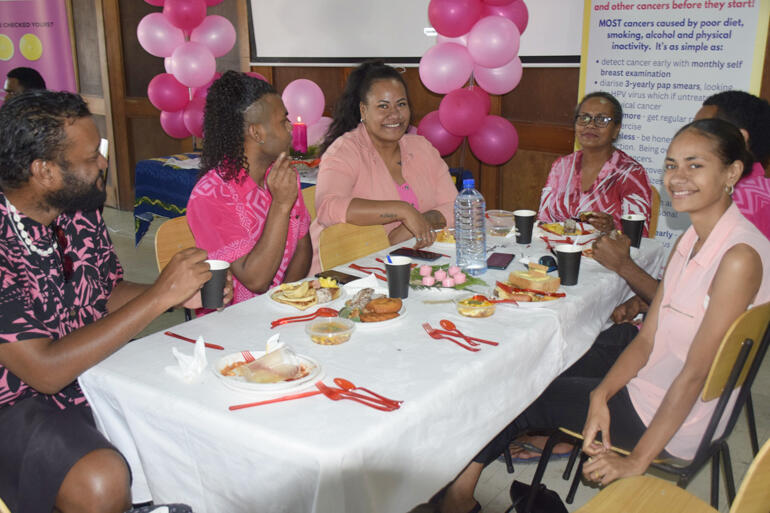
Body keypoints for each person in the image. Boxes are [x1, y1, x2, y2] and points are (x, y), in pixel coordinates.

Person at [439, 118, 770, 513]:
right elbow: (647, 338)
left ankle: (458, 497)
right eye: (670, 165)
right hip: (659, 383)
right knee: (580, 348)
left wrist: (636, 461)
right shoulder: (694, 237)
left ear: (732, 171)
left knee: (519, 390)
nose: (678, 178)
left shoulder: (738, 258)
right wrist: (600, 393)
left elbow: (696, 373)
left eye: (694, 165)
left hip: (672, 419)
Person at [0, 91, 230, 513]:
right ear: (45, 171)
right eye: (91, 158)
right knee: (100, 480)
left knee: (212, 409)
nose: (103, 164)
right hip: (17, 403)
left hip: (94, 372)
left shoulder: (77, 212)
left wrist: (180, 293)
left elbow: (104, 293)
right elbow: (45, 372)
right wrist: (161, 294)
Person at [592, 90, 770, 322]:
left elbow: (690, 315)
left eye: (704, 130)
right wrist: (641, 302)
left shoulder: (741, 212)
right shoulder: (756, 192)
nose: (691, 136)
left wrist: (624, 265)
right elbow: (692, 290)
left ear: (740, 140)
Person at [308, 61, 458, 274]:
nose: (394, 114)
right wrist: (402, 210)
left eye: (401, 104)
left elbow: (454, 206)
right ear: (364, 110)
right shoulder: (345, 150)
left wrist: (418, 222)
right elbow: (328, 208)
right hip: (345, 273)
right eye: (383, 106)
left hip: (410, 266)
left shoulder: (421, 147)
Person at [186, 71, 311, 305]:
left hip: (281, 308)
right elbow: (255, 280)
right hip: (233, 323)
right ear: (256, 132)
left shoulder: (283, 173)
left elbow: (303, 247)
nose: (291, 127)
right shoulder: (211, 195)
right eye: (283, 120)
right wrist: (281, 205)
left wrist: (286, 299)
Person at [538, 91, 652, 235]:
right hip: (558, 252)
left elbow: (638, 237)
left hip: (605, 255)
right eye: (584, 118)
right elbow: (543, 222)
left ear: (616, 129)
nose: (590, 125)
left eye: (602, 120)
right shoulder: (561, 166)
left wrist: (612, 230)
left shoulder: (631, 174)